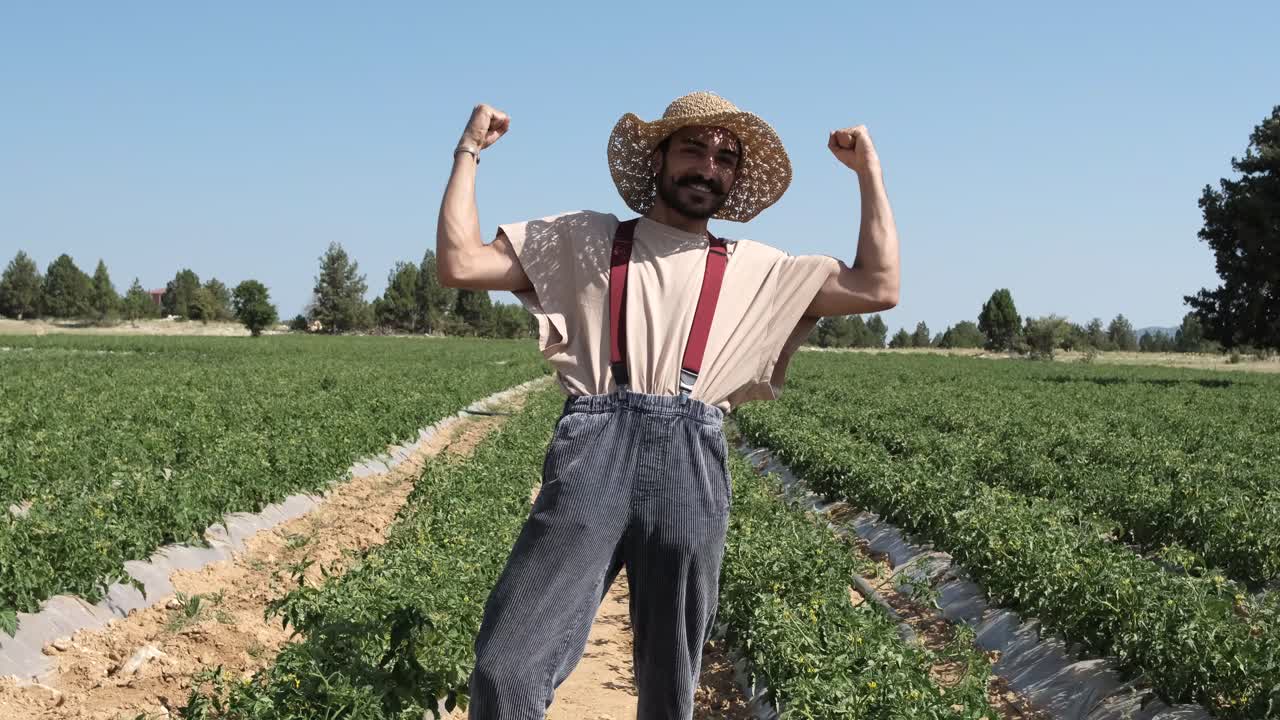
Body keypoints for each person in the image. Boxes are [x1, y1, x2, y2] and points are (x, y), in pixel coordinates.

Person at [437, 91, 899, 719]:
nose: (708, 166)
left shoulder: (759, 268)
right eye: (692, 148)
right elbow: (460, 263)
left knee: (670, 684)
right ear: (657, 158)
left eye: (725, 158)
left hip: (690, 463)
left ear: (734, 181)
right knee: (505, 667)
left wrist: (869, 171)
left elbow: (879, 285)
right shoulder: (585, 238)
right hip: (592, 454)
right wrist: (468, 153)